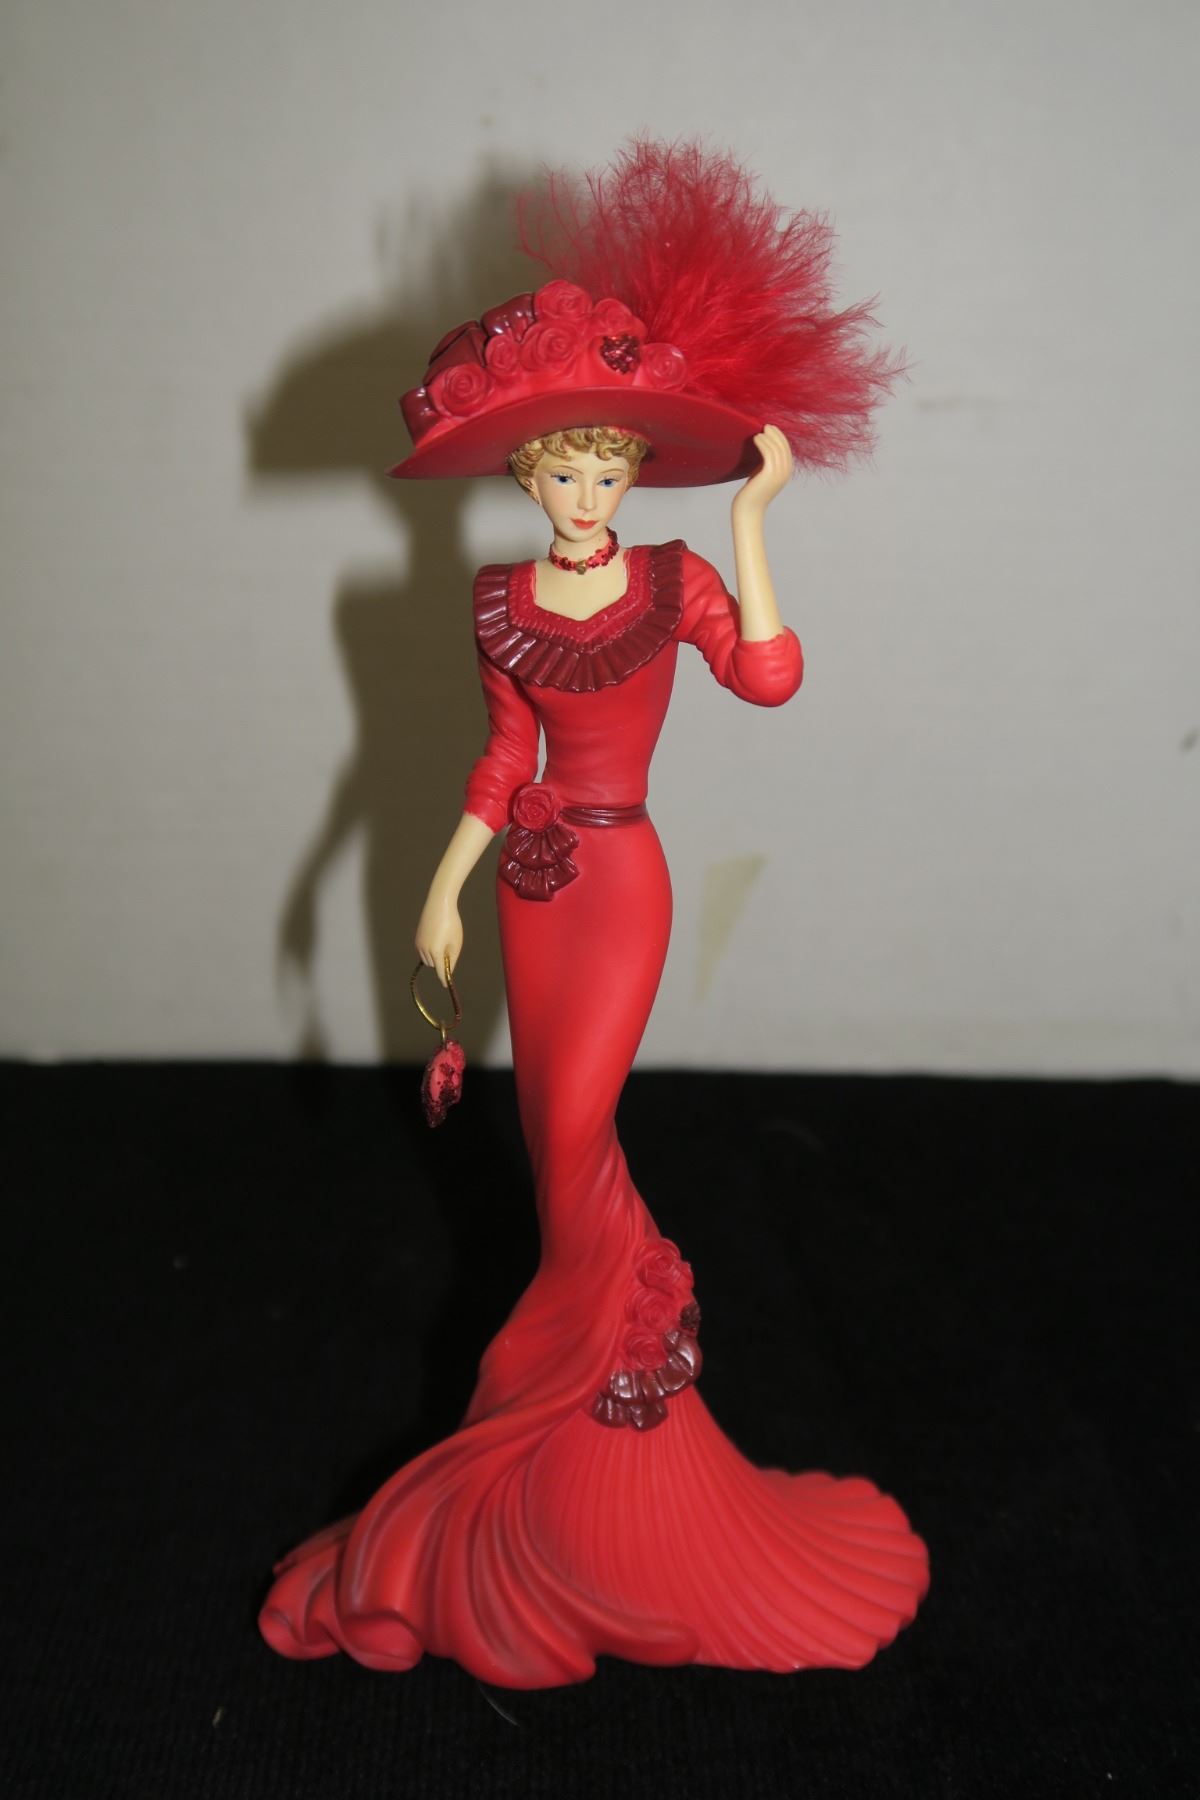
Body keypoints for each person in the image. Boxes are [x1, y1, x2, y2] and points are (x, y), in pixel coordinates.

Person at [259, 143, 929, 1687]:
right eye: (560, 472)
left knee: (573, 1138)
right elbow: (502, 762)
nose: (584, 494)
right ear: (523, 478)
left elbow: (770, 679)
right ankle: (577, 1469)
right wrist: (439, 892)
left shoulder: (676, 579)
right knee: (556, 1140)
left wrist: (756, 518)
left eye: (607, 470)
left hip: (622, 880)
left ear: (634, 474)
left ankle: (589, 1442)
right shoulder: (497, 603)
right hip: (527, 882)